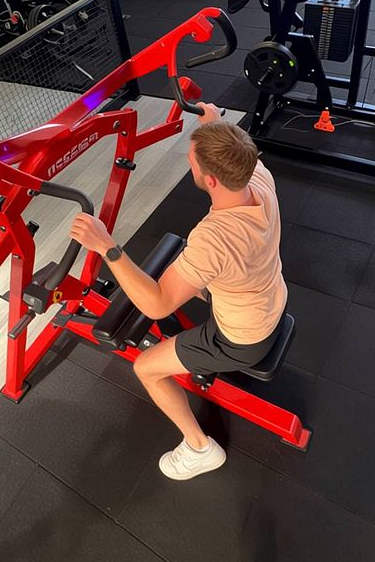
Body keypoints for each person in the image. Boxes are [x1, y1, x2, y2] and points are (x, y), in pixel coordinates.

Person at [70, 104, 288, 481]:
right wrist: (214, 125)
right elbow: (233, 149)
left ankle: (200, 449)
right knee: (192, 274)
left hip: (242, 337)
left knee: (146, 368)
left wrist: (106, 246)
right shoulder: (258, 181)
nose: (190, 166)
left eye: (192, 162)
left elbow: (156, 305)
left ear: (211, 179)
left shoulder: (214, 238)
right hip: (267, 295)